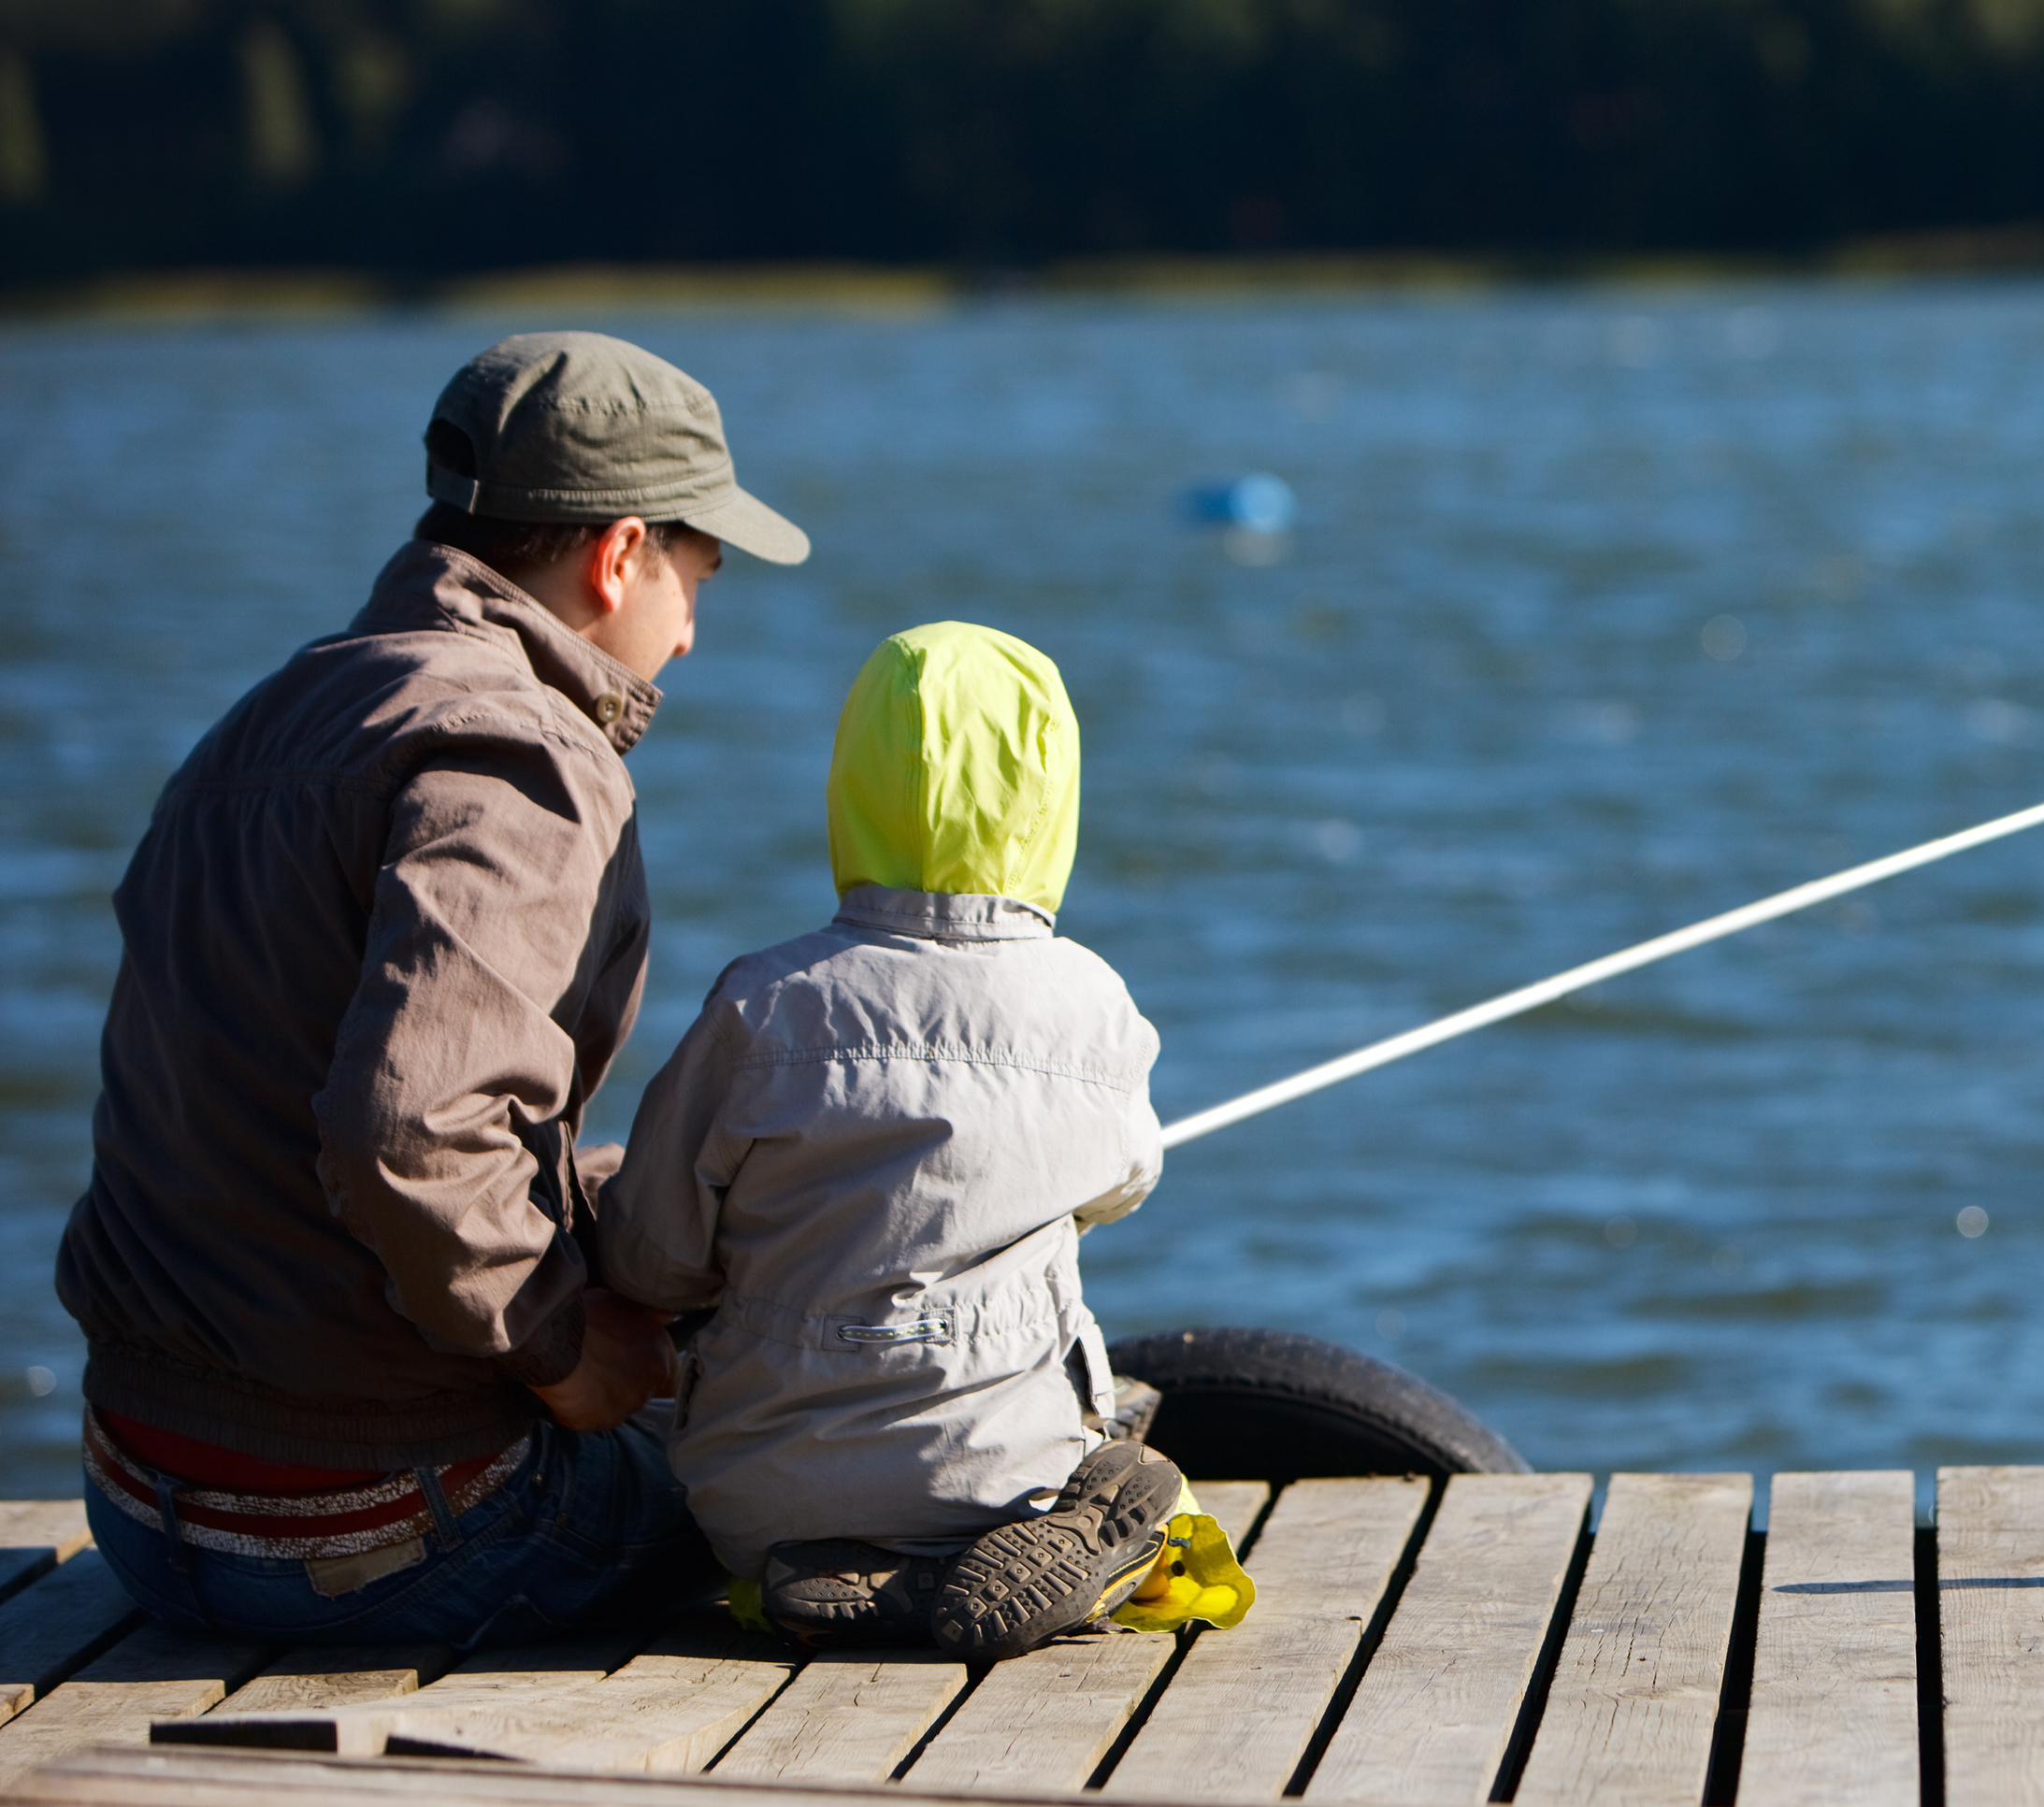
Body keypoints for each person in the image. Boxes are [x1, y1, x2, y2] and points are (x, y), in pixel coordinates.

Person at [59, 331, 806, 1643]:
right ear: (619, 553)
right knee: (817, 1477)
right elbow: (409, 1131)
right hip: (385, 1529)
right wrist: (562, 1352)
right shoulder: (521, 756)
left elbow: (293, 1126)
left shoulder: (271, 717)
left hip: (140, 1504)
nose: (688, 630)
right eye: (699, 574)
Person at [600, 623, 1247, 1659]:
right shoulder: (1093, 1004)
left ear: (851, 791)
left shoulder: (761, 1004)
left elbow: (652, 1260)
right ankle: (1042, 1542)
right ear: (1053, 808)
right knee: (1113, 1446)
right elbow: (1128, 1181)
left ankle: (850, 1572)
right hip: (1001, 1475)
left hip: (757, 1498)